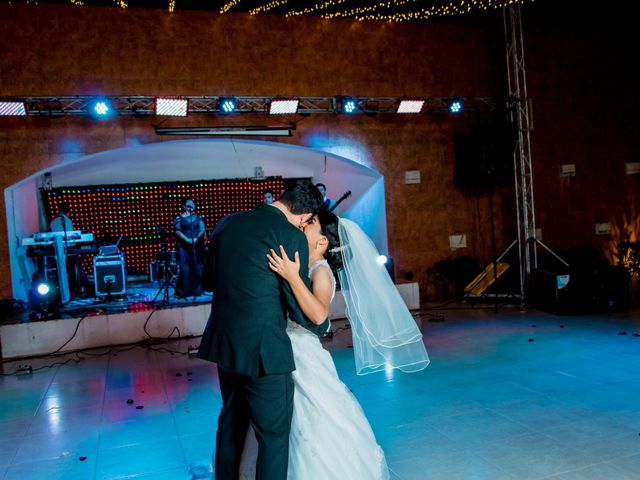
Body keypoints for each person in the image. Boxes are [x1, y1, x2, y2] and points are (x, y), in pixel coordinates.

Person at [239, 211, 430, 479]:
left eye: (310, 223)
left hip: (302, 354)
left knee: (310, 416)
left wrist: (293, 277)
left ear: (322, 242)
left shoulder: (321, 272)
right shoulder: (302, 263)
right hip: (282, 348)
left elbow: (318, 315)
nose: (302, 225)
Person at [197, 180, 329, 480]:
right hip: (265, 351)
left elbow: (207, 282)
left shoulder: (225, 224)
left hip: (225, 343)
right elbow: (298, 308)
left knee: (231, 424)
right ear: (304, 216)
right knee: (273, 435)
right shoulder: (288, 235)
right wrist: (319, 323)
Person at [174, 197, 205, 298]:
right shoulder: (179, 218)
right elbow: (177, 231)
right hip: (184, 246)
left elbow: (202, 229)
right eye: (189, 204)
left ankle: (197, 290)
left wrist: (196, 238)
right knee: (185, 268)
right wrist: (187, 239)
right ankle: (183, 292)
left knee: (197, 267)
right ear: (184, 206)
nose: (192, 205)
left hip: (196, 246)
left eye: (193, 203)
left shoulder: (198, 217)